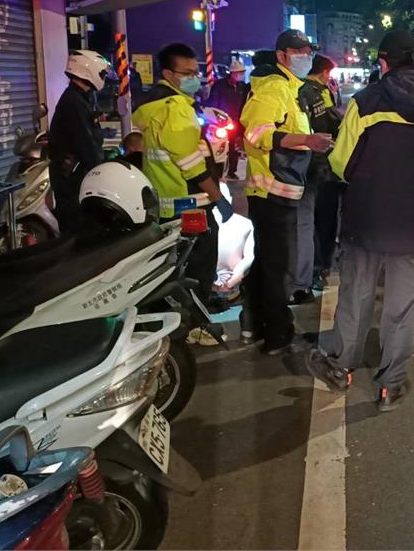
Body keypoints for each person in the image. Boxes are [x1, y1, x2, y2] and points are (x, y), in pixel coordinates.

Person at [306, 30, 414, 412]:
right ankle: (392, 384)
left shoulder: (366, 102)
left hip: (367, 219)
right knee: (403, 305)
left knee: (356, 296)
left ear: (384, 63)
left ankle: (340, 366)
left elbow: (340, 162)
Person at [240, 30, 332, 355]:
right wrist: (307, 141)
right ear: (282, 56)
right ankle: (278, 336)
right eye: (300, 51)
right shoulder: (274, 89)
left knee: (269, 262)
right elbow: (255, 134)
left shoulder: (292, 89)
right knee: (280, 268)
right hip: (271, 193)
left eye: (308, 51)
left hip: (282, 190)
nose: (306, 56)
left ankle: (256, 325)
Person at [134, 43, 233, 335]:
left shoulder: (153, 106)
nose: (195, 78)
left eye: (196, 71)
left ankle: (175, 325)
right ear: (168, 74)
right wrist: (219, 200)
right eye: (187, 73)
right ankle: (195, 329)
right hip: (190, 204)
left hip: (167, 203)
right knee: (199, 269)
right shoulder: (175, 109)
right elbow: (191, 165)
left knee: (175, 268)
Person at [48, 50, 110, 234]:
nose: (103, 78)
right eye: (102, 74)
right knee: (76, 226)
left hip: (74, 174)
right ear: (87, 71)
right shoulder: (74, 101)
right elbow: (85, 143)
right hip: (72, 176)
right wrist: (101, 168)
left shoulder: (82, 97)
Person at [299, 53, 345, 291]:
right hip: (321, 166)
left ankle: (314, 268)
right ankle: (320, 267)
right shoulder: (316, 92)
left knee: (310, 222)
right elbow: (331, 122)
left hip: (306, 166)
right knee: (323, 220)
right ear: (325, 72)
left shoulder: (300, 89)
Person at [208, 59, 249, 180]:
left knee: (233, 147)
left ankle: (232, 171)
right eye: (238, 73)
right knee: (218, 147)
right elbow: (213, 103)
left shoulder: (242, 87)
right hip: (221, 122)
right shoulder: (219, 85)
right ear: (232, 73)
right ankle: (216, 170)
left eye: (242, 73)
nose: (240, 75)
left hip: (236, 122)